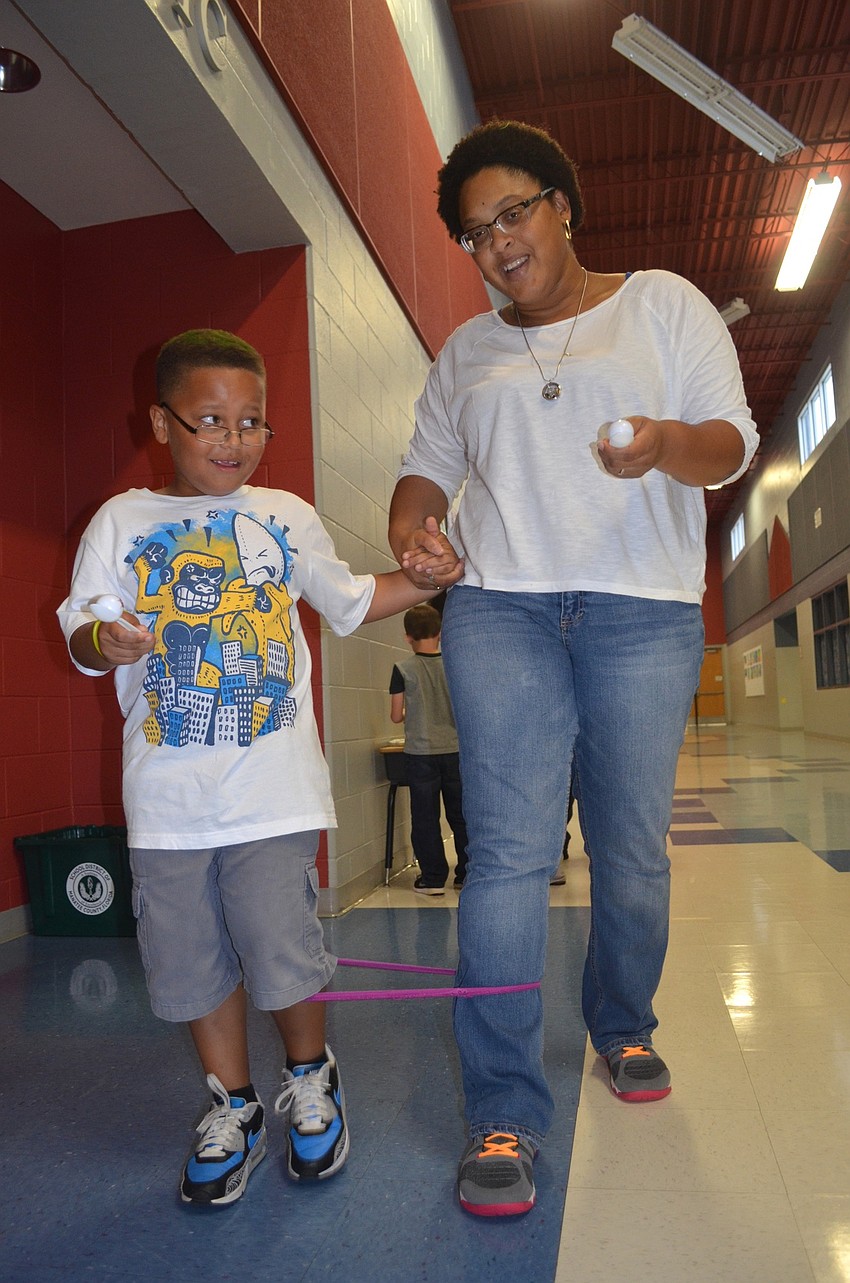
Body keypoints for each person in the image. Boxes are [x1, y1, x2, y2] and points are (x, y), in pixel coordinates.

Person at [388, 120, 758, 1217]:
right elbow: (423, 472)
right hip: (499, 608)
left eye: (511, 212)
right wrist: (417, 534)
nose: (496, 243)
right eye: (472, 232)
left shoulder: (664, 303)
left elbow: (729, 443)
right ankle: (502, 1103)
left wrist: (658, 445)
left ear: (561, 204)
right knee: (505, 853)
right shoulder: (466, 351)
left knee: (631, 847)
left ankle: (623, 1020)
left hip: (641, 610)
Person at [56, 329, 459, 1207]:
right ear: (161, 421)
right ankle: (232, 1103)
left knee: (284, 950)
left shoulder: (287, 515)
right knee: (190, 960)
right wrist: (110, 635)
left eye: (251, 422)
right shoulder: (121, 521)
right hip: (167, 804)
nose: (232, 438)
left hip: (273, 798)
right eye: (209, 421)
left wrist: (428, 578)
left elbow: (355, 602)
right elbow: (81, 635)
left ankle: (311, 1080)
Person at [389, 603, 469, 893]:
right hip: (456, 750)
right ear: (440, 633)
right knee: (460, 815)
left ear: (407, 636)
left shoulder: (402, 669)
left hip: (420, 753)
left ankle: (433, 877)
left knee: (425, 817)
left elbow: (397, 715)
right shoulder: (455, 665)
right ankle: (466, 873)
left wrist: (417, 712)